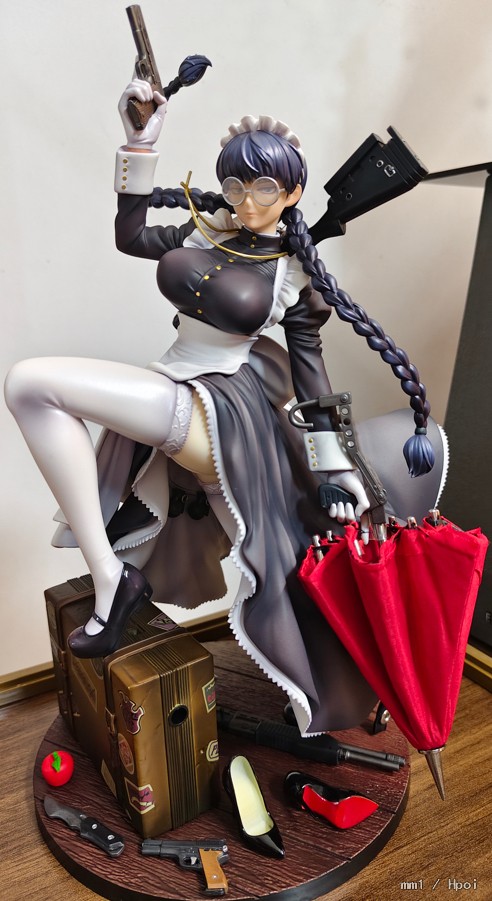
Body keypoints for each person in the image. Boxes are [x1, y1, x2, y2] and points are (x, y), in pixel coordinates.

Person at [4, 79, 446, 735]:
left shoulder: (293, 273)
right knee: (33, 388)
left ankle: (111, 580)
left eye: (263, 188)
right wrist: (139, 142)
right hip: (176, 381)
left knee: (31, 384)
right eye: (235, 185)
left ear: (292, 192)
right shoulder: (207, 228)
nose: (245, 201)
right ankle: (115, 579)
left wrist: (336, 469)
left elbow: (312, 377)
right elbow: (131, 234)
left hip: (225, 411)